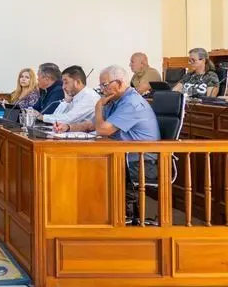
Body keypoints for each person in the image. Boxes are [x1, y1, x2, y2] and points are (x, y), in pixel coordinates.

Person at [55, 65, 160, 222]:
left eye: (104, 85)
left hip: (140, 161)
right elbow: (91, 124)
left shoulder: (131, 102)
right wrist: (68, 127)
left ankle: (107, 218)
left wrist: (98, 107)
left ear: (118, 83)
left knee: (87, 170)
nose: (102, 89)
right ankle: (84, 215)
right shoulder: (115, 100)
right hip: (121, 156)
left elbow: (103, 130)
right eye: (101, 85)